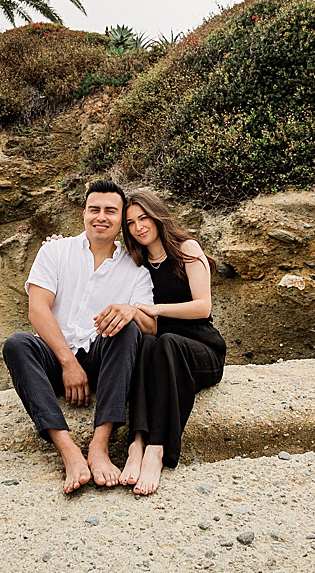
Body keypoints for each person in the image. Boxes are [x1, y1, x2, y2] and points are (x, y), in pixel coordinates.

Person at [1, 180, 156, 494]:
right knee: (16, 344)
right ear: (84, 213)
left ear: (121, 217)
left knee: (127, 327)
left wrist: (129, 309)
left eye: (110, 211)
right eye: (94, 209)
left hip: (104, 362)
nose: (101, 217)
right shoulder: (56, 251)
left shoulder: (136, 270)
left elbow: (151, 327)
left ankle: (99, 447)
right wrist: (69, 364)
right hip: (56, 357)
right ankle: (69, 451)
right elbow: (37, 310)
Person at [118, 188, 226, 496]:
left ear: (157, 215)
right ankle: (136, 444)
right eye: (130, 223)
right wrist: (57, 243)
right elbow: (95, 248)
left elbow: (203, 306)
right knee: (147, 344)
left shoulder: (186, 249)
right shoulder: (136, 263)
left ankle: (157, 449)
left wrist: (157, 309)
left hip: (202, 349)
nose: (139, 227)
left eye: (143, 218)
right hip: (164, 350)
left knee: (164, 342)